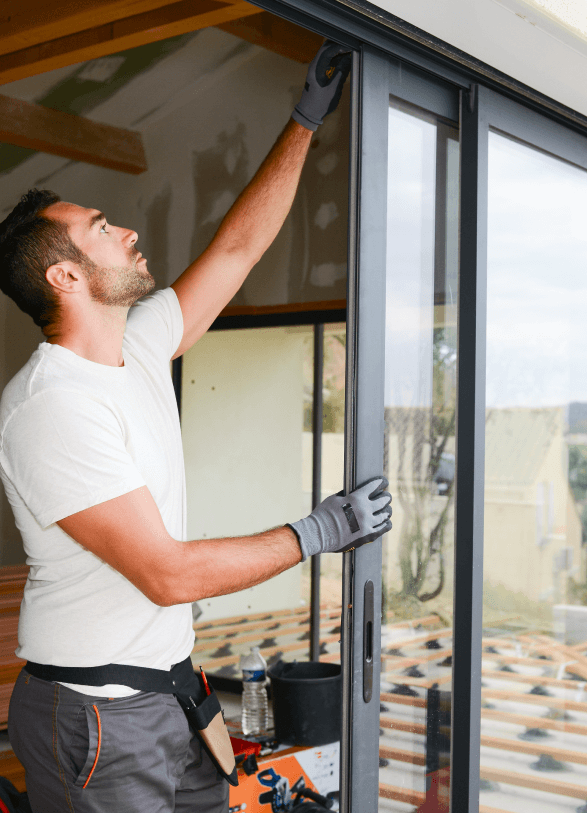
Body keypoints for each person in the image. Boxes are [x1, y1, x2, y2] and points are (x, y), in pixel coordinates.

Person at [0, 41, 392, 813]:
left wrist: (305, 120)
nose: (129, 233)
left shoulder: (137, 344)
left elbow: (239, 249)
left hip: (173, 694)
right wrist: (317, 532)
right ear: (65, 276)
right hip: (98, 719)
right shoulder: (51, 405)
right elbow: (167, 573)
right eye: (103, 227)